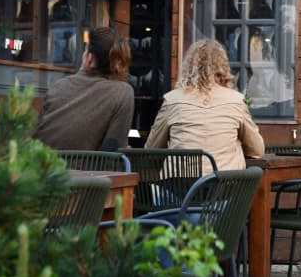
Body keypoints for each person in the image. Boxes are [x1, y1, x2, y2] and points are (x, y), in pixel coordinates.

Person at [145, 38, 264, 173]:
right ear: (223, 67)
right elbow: (257, 150)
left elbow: (151, 150)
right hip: (225, 189)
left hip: (179, 189)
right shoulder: (236, 101)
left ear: (188, 66)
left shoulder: (172, 100)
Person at [34, 27, 134, 151]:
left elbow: (37, 134)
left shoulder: (58, 86)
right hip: (86, 169)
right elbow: (112, 150)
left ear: (89, 58)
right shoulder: (123, 92)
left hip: (42, 168)